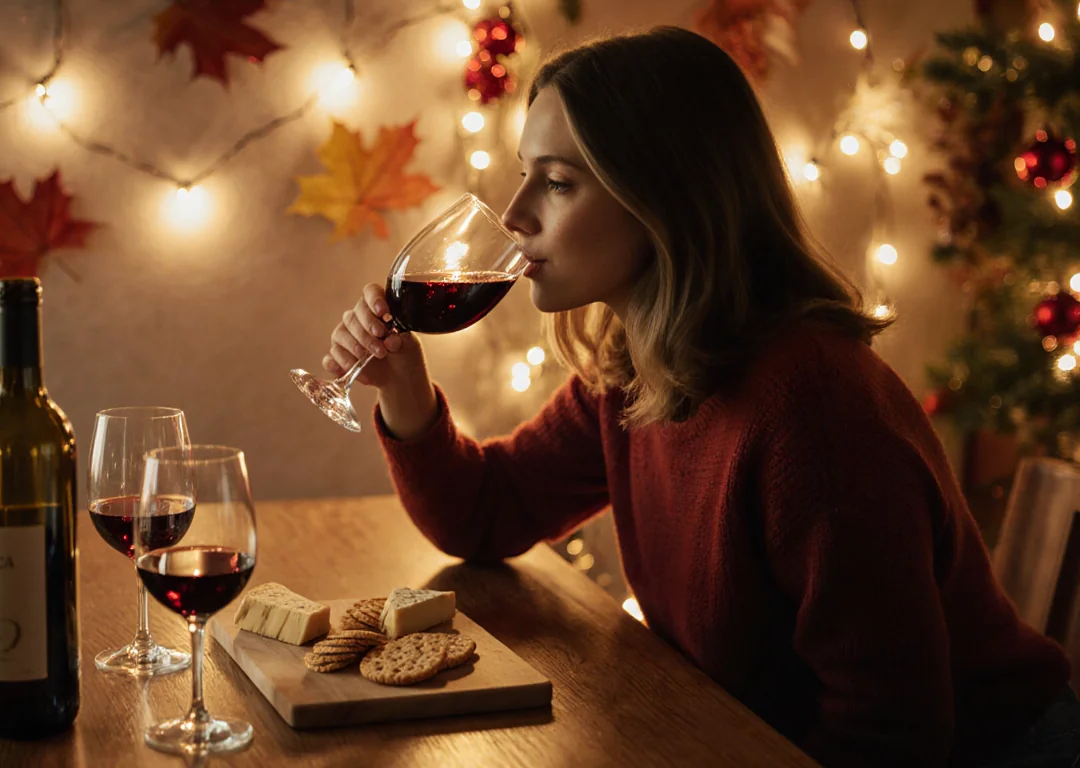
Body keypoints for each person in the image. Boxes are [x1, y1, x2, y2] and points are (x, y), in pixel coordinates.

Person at [322, 27, 1080, 768]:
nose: (515, 214)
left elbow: (889, 734)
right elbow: (488, 513)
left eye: (557, 182)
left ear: (664, 196)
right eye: (527, 173)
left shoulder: (813, 409)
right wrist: (404, 387)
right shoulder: (638, 368)